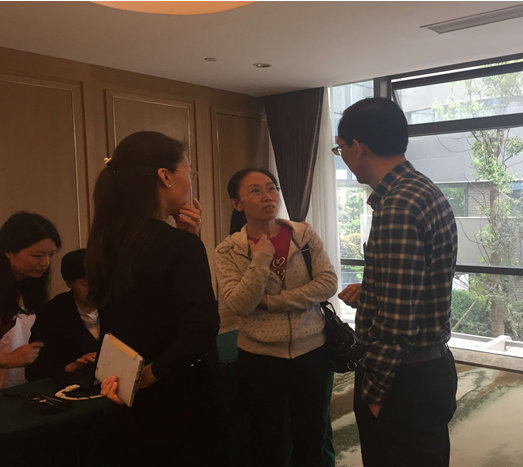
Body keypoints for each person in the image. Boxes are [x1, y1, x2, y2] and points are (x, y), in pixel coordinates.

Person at [87, 131, 226, 464]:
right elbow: (202, 328)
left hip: (126, 391)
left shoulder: (106, 239)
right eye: (188, 171)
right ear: (165, 176)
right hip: (179, 393)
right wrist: (149, 375)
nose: (189, 181)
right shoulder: (179, 245)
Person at [335, 97, 458, 467]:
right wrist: (372, 292)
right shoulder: (421, 189)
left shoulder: (398, 207)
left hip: (403, 377)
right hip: (427, 367)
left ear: (357, 147)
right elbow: (417, 284)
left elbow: (398, 322)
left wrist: (373, 392)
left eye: (340, 148)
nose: (343, 156)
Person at [215, 168, 338, 467]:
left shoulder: (303, 235)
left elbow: (327, 283)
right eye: (255, 191)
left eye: (271, 188)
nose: (268, 196)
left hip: (312, 350)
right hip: (259, 357)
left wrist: (272, 302)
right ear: (237, 203)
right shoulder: (229, 249)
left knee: (312, 432)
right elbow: (239, 304)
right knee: (266, 437)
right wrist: (260, 259)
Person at [0, 212, 61, 388]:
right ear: (9, 252)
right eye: (37, 255)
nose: (46, 263)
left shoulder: (20, 284)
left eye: (52, 254)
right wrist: (7, 359)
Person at [26, 249, 100, 382]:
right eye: (87, 285)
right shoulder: (51, 313)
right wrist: (70, 367)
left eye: (101, 283)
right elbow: (34, 371)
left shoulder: (117, 304)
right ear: (69, 283)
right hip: (70, 386)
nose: (96, 291)